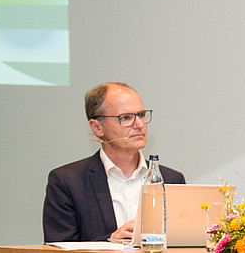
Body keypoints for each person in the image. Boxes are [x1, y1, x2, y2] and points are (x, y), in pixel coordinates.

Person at [43, 82, 185, 242]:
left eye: (141, 115)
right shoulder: (68, 182)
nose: (139, 125)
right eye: (126, 118)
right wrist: (110, 242)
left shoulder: (172, 180)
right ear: (97, 128)